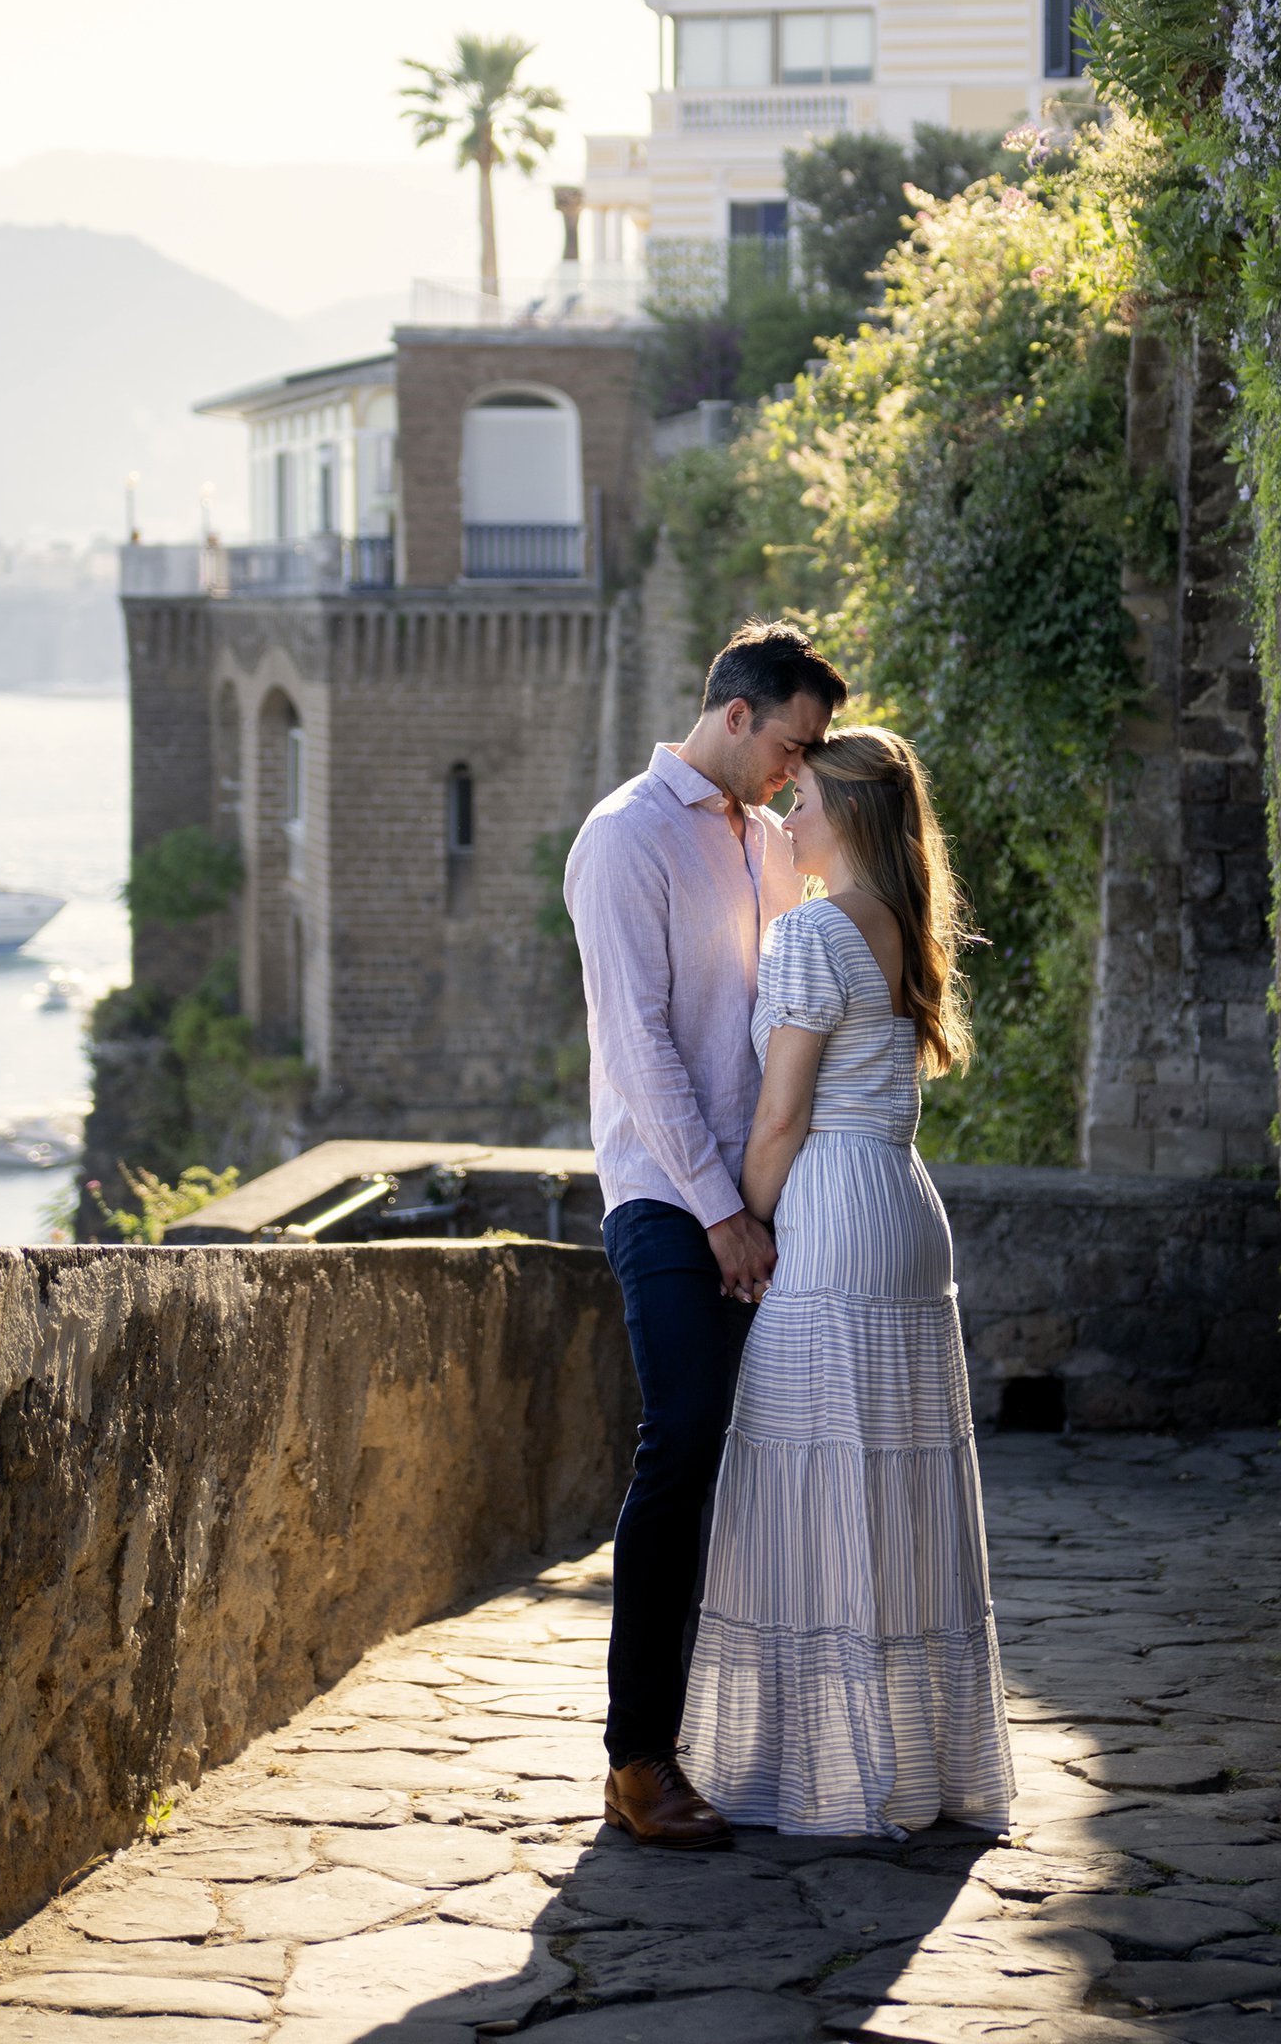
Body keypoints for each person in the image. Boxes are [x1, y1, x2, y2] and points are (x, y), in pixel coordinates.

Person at [679, 725, 1015, 1838]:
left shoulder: (812, 931)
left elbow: (777, 1116)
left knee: (814, 1478)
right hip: (906, 1209)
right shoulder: (906, 927)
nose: (791, 819)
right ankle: (907, 1767)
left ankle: (825, 1769)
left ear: (854, 818)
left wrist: (745, 1225)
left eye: (809, 804)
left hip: (827, 1210)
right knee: (895, 1488)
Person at [564, 620, 848, 1849]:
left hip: (773, 1200)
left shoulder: (774, 844)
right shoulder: (624, 837)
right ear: (737, 715)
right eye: (793, 745)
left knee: (771, 1456)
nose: (800, 769)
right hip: (671, 1202)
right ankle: (638, 1762)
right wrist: (720, 1210)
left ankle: (761, 1738)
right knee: (679, 1447)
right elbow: (638, 1049)